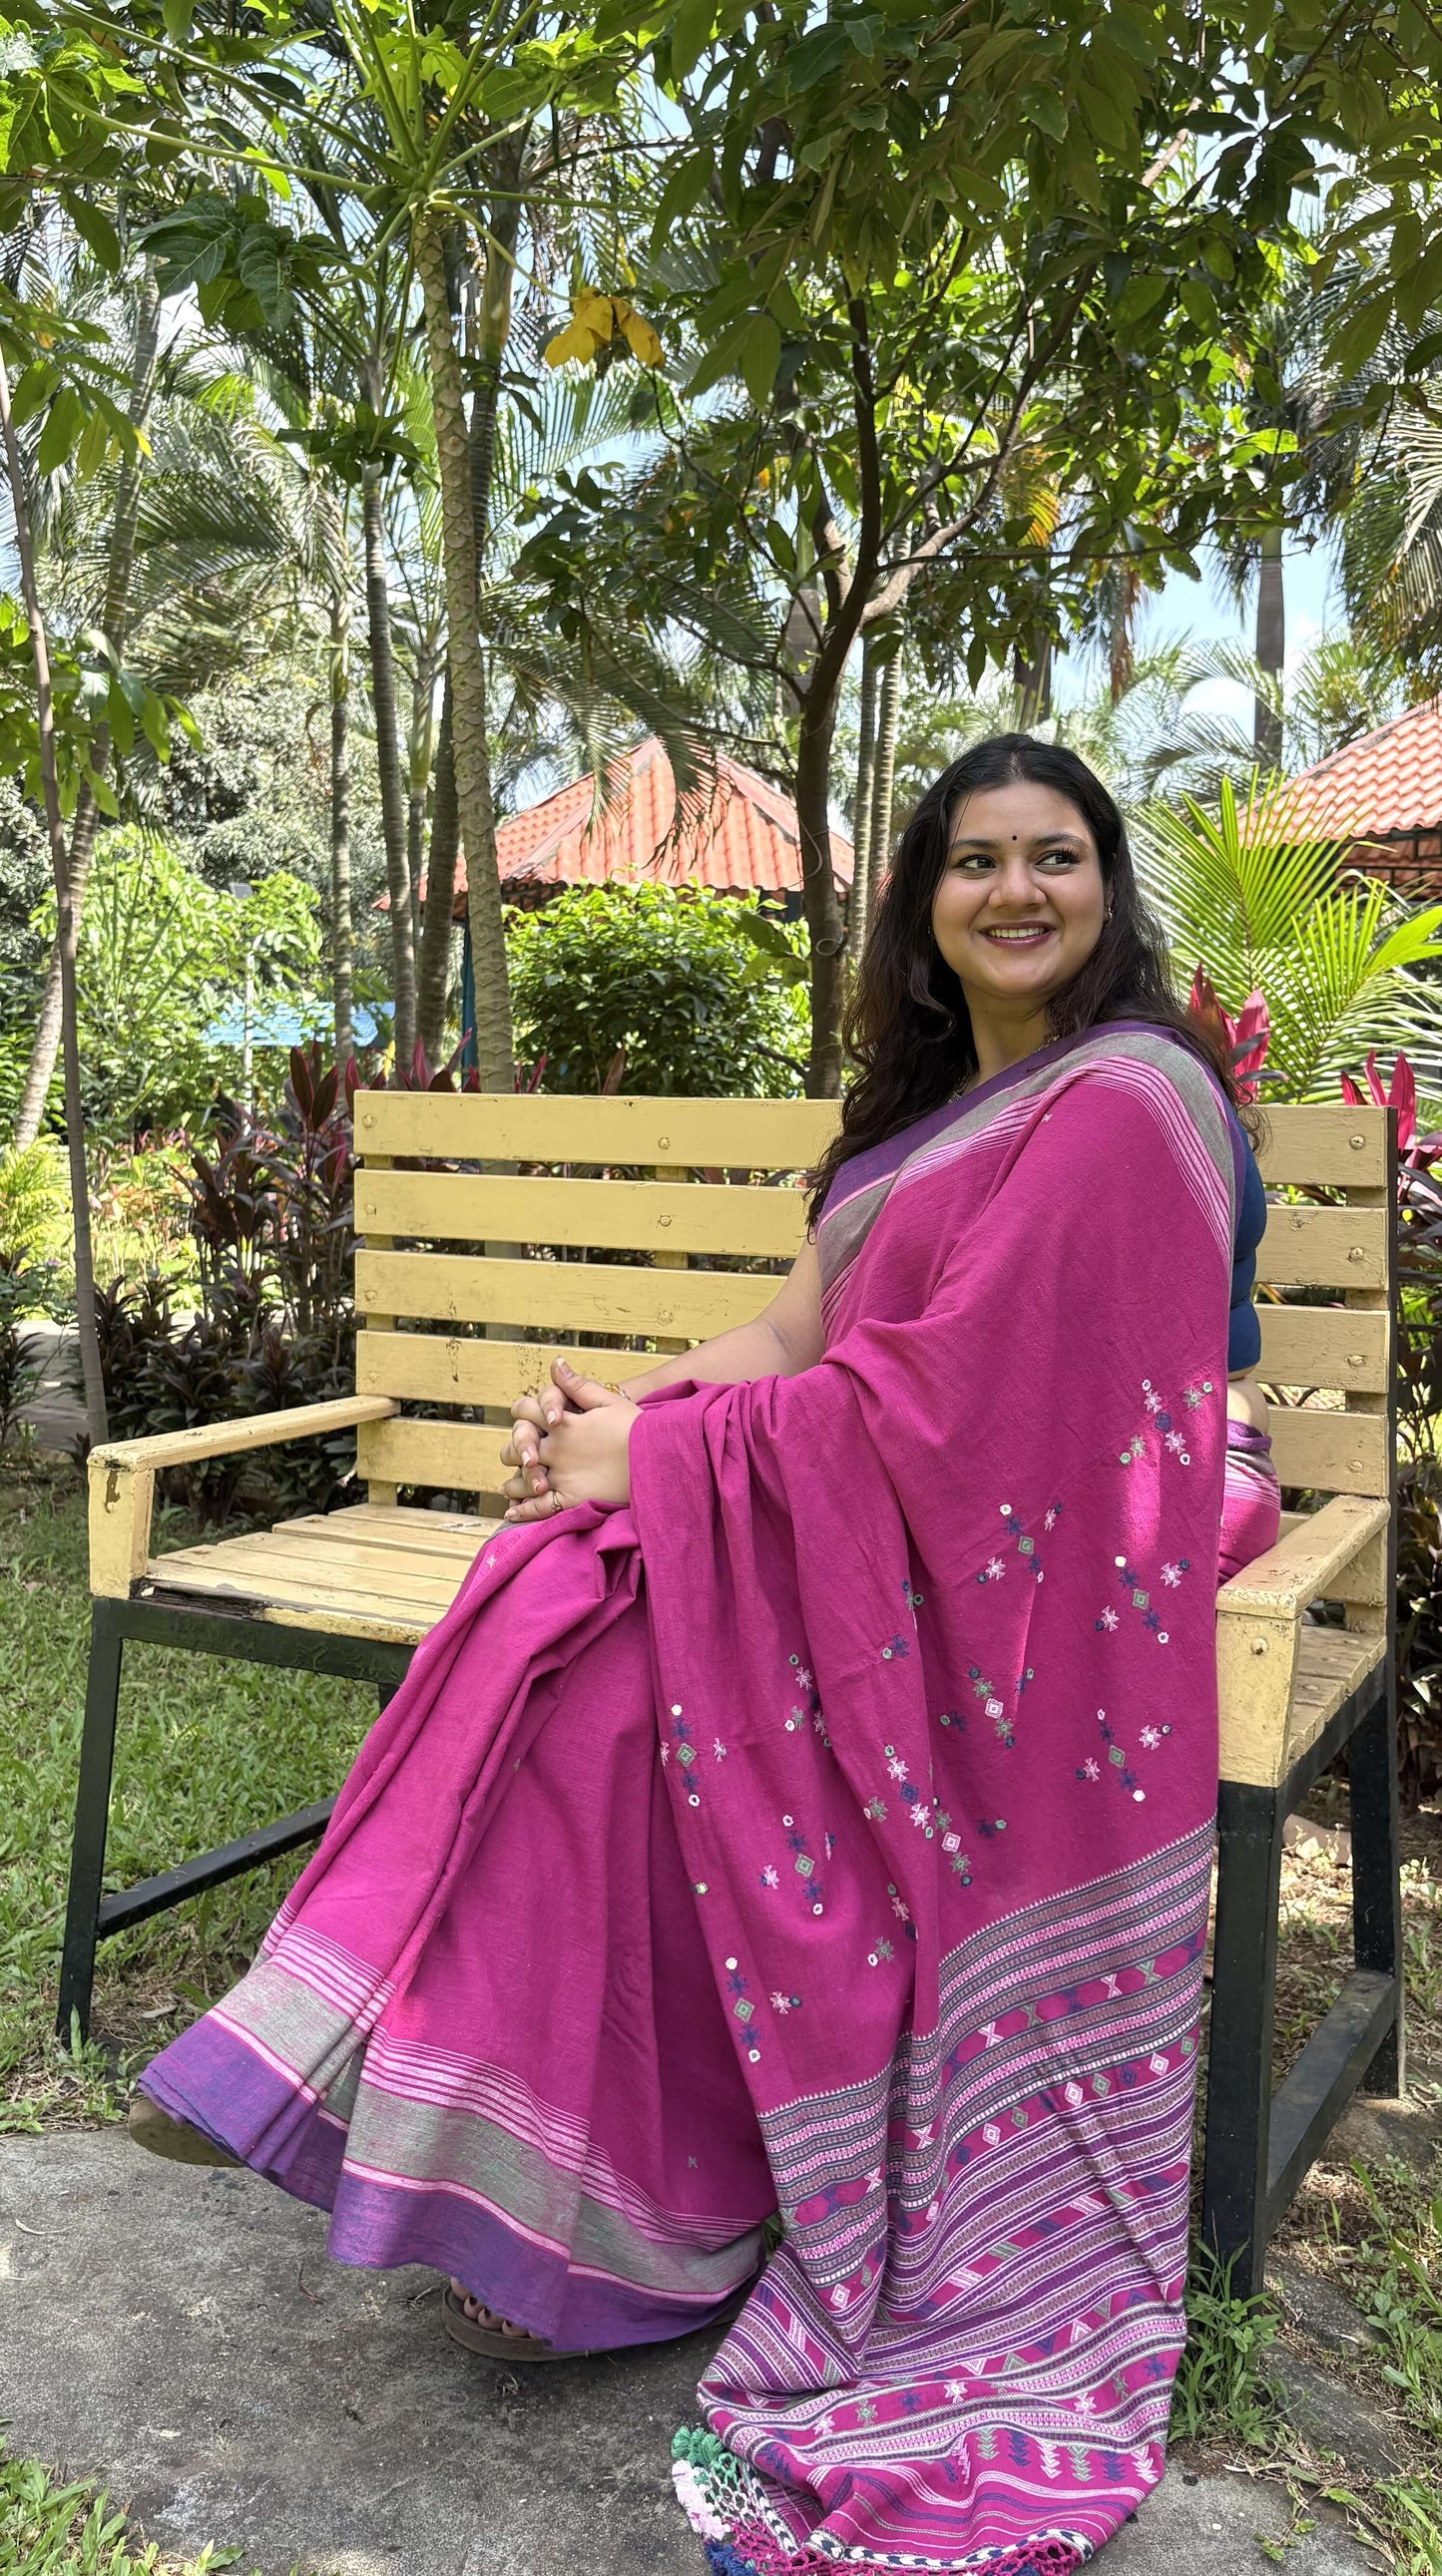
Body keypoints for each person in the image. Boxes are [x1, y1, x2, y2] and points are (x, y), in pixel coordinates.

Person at [133, 736, 1278, 2576]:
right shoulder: (910, 1126)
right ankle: (549, 2176)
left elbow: (1000, 1406)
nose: (1014, 891)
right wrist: (635, 1406)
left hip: (1067, 1536)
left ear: (1103, 890)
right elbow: (795, 1333)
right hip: (895, 1509)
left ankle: (636, 2189)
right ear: (921, 908)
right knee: (569, 1638)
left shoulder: (1133, 1097)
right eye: (972, 861)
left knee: (631, 1664)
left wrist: (655, 1465)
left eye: (1051, 857)